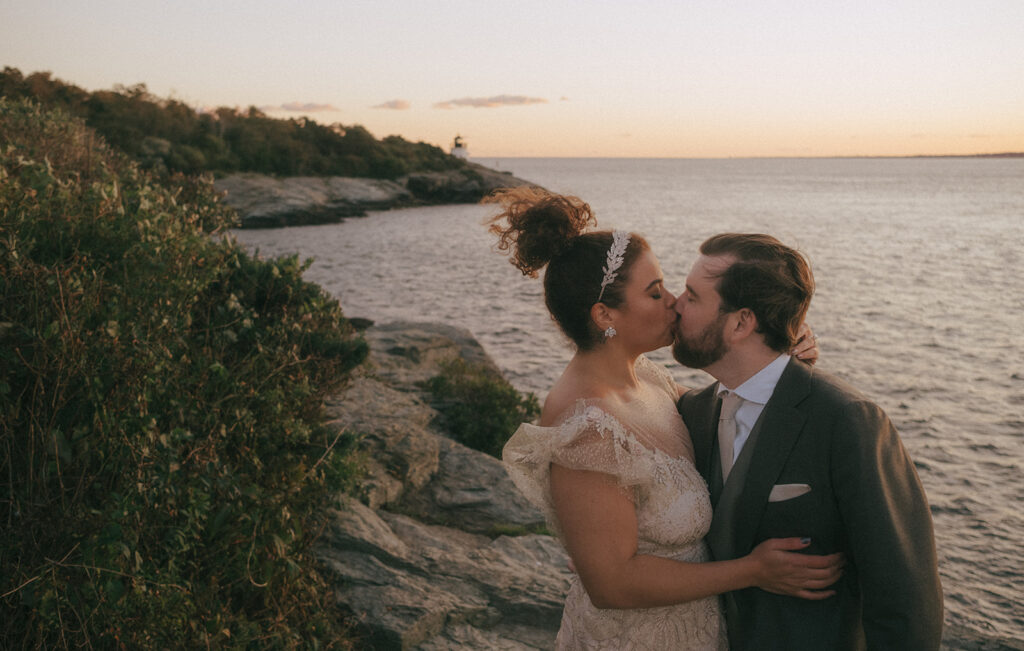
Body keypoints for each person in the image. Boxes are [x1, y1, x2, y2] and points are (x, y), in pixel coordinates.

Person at [488, 188, 841, 650]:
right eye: (655, 292)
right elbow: (612, 585)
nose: (674, 301)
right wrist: (754, 571)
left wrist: (773, 360)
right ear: (605, 315)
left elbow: (715, 411)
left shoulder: (647, 380)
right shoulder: (586, 429)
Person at [673, 233, 944, 650]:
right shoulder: (694, 411)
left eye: (692, 296)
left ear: (742, 323)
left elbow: (904, 597)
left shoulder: (847, 420)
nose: (676, 304)